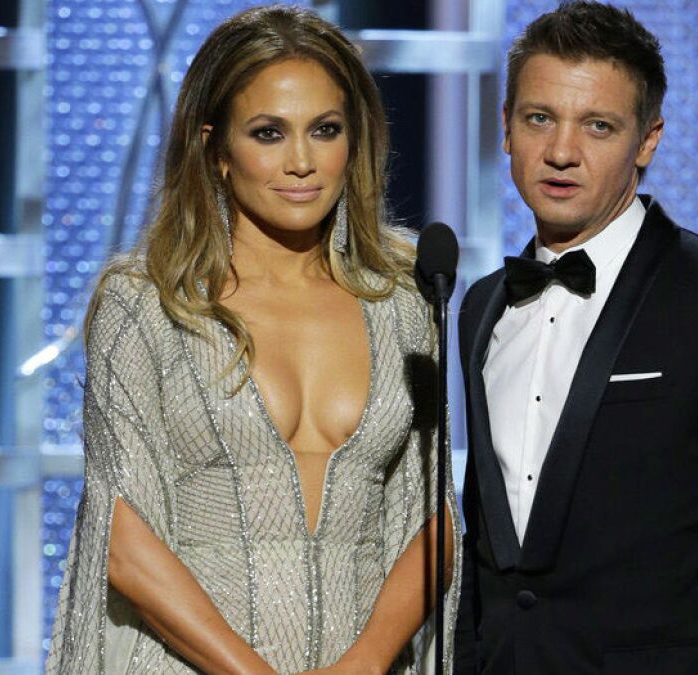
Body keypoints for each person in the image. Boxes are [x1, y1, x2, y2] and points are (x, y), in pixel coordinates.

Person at [46, 5, 461, 674]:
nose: (301, 161)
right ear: (214, 148)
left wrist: (366, 660)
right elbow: (122, 534)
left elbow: (431, 517)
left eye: (324, 130)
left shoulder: (404, 300)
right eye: (268, 132)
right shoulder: (146, 304)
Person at [454, 2, 698, 673]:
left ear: (648, 140)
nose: (560, 151)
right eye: (539, 118)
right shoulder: (481, 306)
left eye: (598, 126)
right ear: (505, 127)